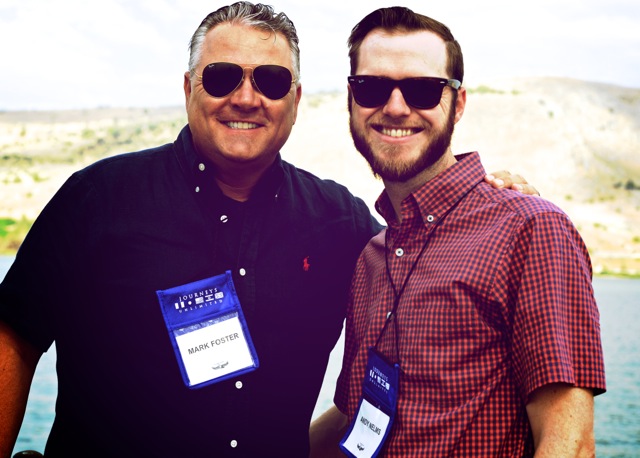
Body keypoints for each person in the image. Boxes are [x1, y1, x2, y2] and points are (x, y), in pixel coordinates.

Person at [0, 3, 537, 457]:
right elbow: (14, 338)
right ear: (189, 88)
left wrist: (492, 201)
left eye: (272, 81)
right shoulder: (98, 198)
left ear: (296, 102)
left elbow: (429, 269)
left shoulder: (343, 223)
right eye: (222, 76)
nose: (246, 97)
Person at [310, 6, 606, 458]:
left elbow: (569, 443)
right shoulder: (373, 256)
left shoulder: (530, 229)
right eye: (371, 87)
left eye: (423, 90)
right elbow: (357, 414)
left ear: (459, 104)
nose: (395, 107)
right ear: (351, 99)